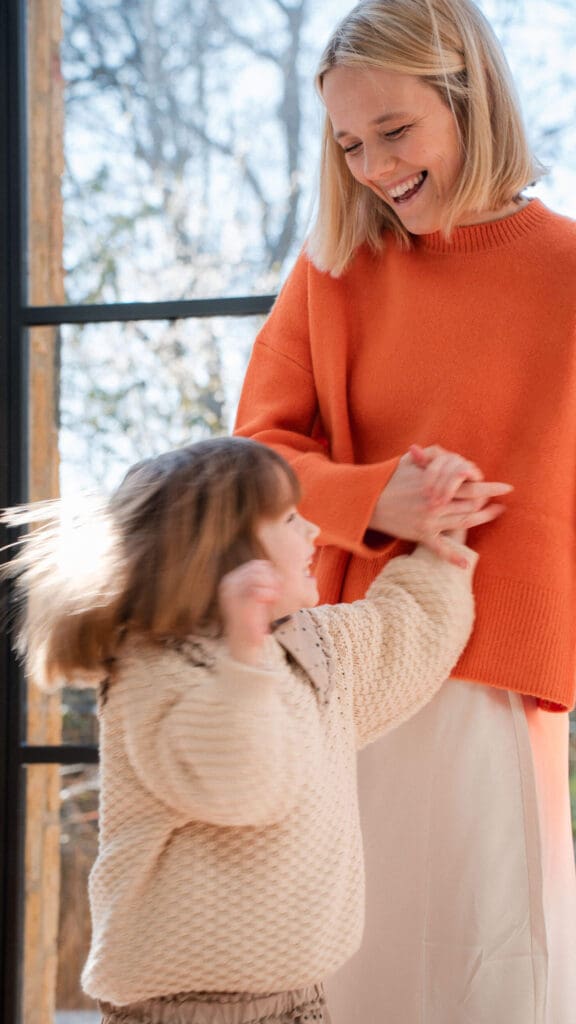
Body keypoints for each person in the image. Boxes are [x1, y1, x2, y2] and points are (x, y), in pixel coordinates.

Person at [234, 1, 576, 1021]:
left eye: (395, 131)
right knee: (348, 975)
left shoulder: (568, 272)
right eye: (350, 145)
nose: (376, 167)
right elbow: (250, 458)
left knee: (495, 971)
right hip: (349, 670)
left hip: (498, 675)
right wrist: (374, 497)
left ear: (470, 100)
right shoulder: (331, 274)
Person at [1, 437, 478, 1024]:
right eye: (290, 519)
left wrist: (444, 548)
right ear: (227, 552)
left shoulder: (313, 646)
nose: (314, 531)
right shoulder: (157, 669)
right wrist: (245, 658)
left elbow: (404, 637)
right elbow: (245, 785)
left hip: (298, 1001)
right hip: (182, 1012)